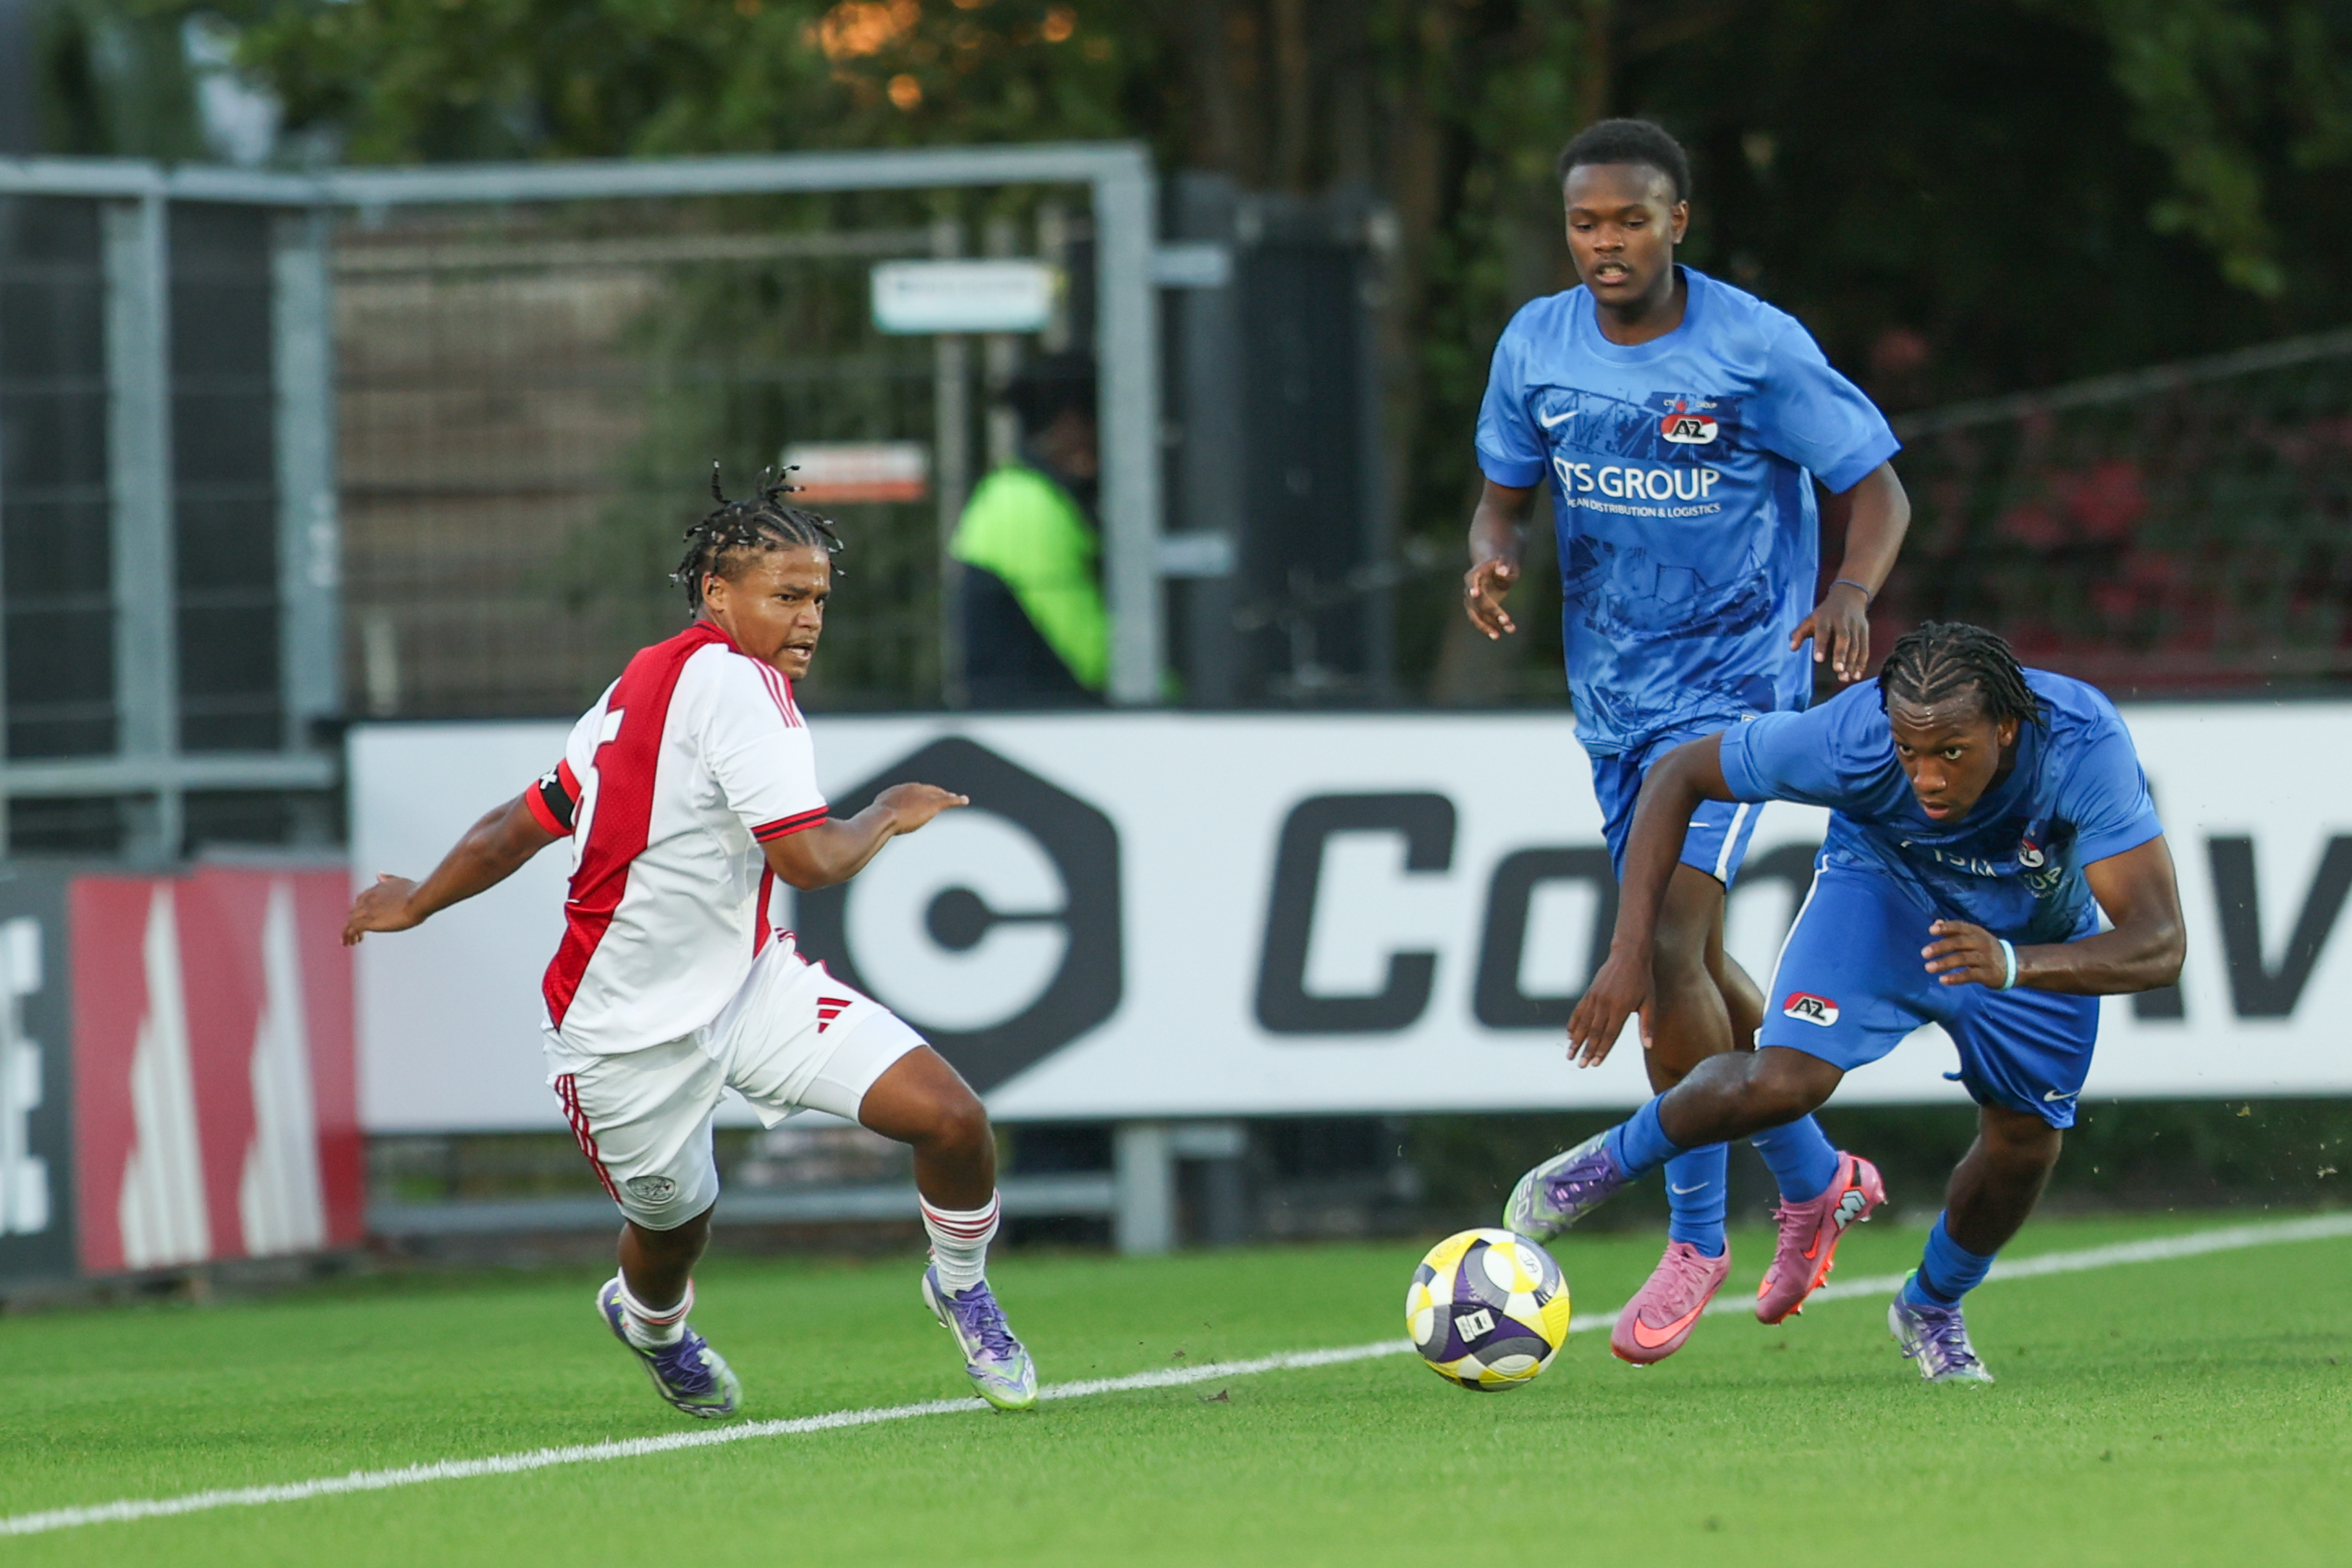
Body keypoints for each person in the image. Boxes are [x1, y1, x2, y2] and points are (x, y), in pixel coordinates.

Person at [342, 470, 1038, 1417]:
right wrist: (887, 810)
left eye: (818, 599)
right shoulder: (741, 687)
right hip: (621, 1034)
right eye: (785, 595)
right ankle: (652, 1322)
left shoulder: (643, 680)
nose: (808, 619)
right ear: (717, 592)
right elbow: (807, 860)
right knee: (673, 1227)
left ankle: (961, 1286)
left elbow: (521, 821)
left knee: (950, 1117)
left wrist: (420, 900)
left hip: (751, 987)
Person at [1468, 118, 1913, 1363]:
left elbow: (1877, 487)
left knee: (1666, 939)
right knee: (1702, 962)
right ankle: (1816, 1178)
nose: (1605, 242)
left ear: (1678, 220)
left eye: (1630, 219)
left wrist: (1850, 592)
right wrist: (1491, 553)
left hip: (1734, 693)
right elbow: (1503, 498)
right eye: (1585, 223)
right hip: (1613, 694)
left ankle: (1696, 1237)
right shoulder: (1535, 344)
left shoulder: (1753, 347)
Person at [1514, 623, 2186, 1382]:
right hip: (1882, 898)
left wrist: (2010, 963)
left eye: (1950, 753)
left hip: (2024, 945)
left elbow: (2160, 944)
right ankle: (1600, 1167)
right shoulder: (1854, 734)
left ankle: (1930, 1305)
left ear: (2006, 727)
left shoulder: (2081, 744)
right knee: (1780, 1081)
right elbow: (1677, 774)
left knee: (2024, 1144)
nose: (1926, 777)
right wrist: (1630, 950)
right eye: (1909, 751)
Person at [950, 352, 1109, 706]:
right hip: (1034, 719)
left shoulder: (1024, 493)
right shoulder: (1023, 503)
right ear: (1071, 425)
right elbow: (1094, 655)